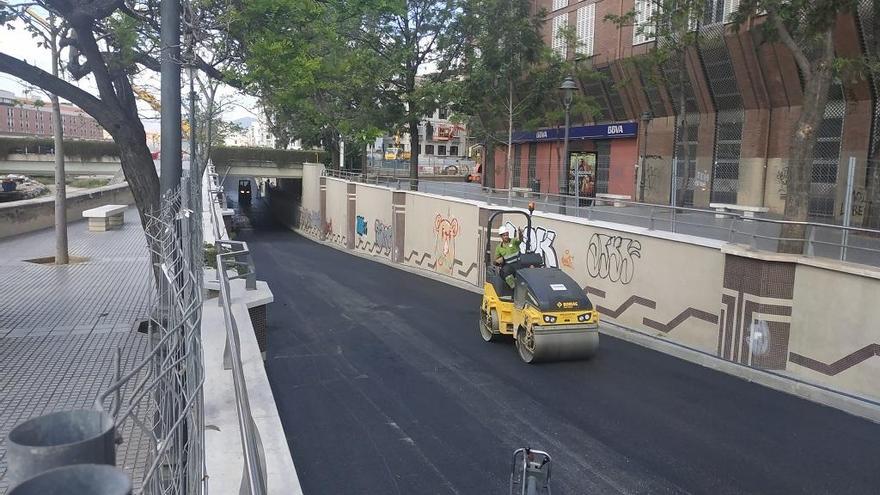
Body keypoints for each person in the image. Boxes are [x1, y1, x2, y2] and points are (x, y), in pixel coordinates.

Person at [494, 225, 522, 289]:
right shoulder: (499, 247)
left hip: (518, 263)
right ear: (501, 236)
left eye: (507, 235)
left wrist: (520, 234)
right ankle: (514, 288)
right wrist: (498, 260)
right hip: (508, 266)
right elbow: (496, 260)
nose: (506, 236)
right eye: (504, 235)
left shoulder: (513, 241)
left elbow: (520, 239)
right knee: (504, 271)